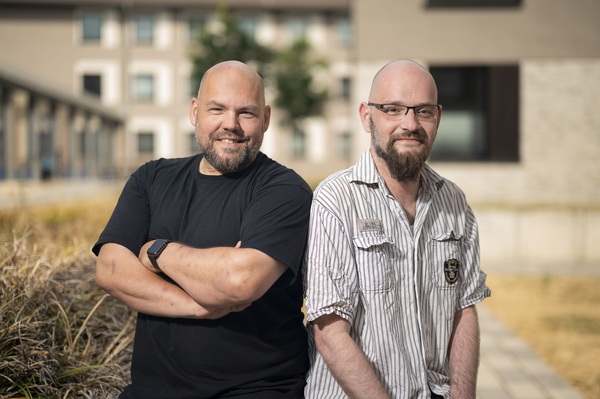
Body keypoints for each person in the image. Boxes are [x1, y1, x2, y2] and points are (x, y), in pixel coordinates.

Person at [93, 61, 312, 399]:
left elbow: (238, 282)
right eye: (217, 109)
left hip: (256, 389)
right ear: (195, 111)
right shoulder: (151, 179)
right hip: (152, 391)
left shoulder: (284, 189)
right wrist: (197, 305)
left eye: (247, 113)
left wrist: (158, 251)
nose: (231, 124)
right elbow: (110, 269)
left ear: (266, 118)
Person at [303, 60, 491, 399]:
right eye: (393, 109)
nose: (410, 124)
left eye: (424, 111)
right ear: (366, 116)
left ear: (438, 118)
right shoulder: (336, 200)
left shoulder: (454, 203)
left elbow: (464, 310)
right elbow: (330, 335)